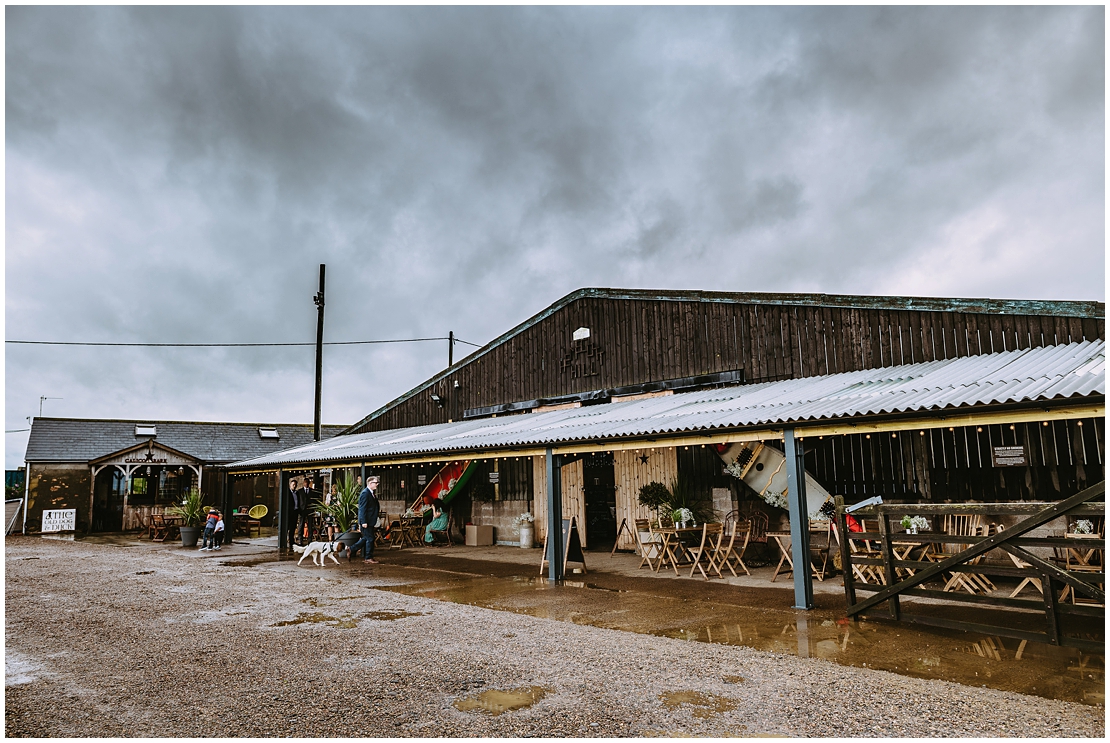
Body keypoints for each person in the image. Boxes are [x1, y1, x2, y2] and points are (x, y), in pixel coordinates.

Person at [349, 476, 380, 563]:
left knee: (366, 538)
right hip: (366, 521)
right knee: (370, 538)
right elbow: (362, 508)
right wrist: (363, 521)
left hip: (370, 520)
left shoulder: (371, 493)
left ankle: (351, 549)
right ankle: (368, 557)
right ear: (370, 483)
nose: (377, 485)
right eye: (375, 483)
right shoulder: (365, 493)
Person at [286, 477, 301, 548]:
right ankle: (285, 540)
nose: (294, 486)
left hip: (295, 511)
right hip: (289, 512)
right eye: (293, 485)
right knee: (287, 527)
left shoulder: (297, 493)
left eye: (295, 485)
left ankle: (291, 541)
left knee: (293, 527)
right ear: (290, 485)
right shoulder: (287, 493)